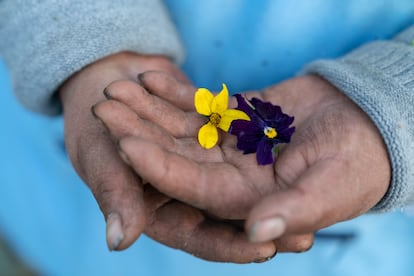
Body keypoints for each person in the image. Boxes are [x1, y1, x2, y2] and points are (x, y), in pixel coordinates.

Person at [1, 0, 414, 275]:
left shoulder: (257, 131)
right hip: (56, 206)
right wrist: (85, 38)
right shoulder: (228, 124)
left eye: (268, 133)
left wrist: (396, 98)